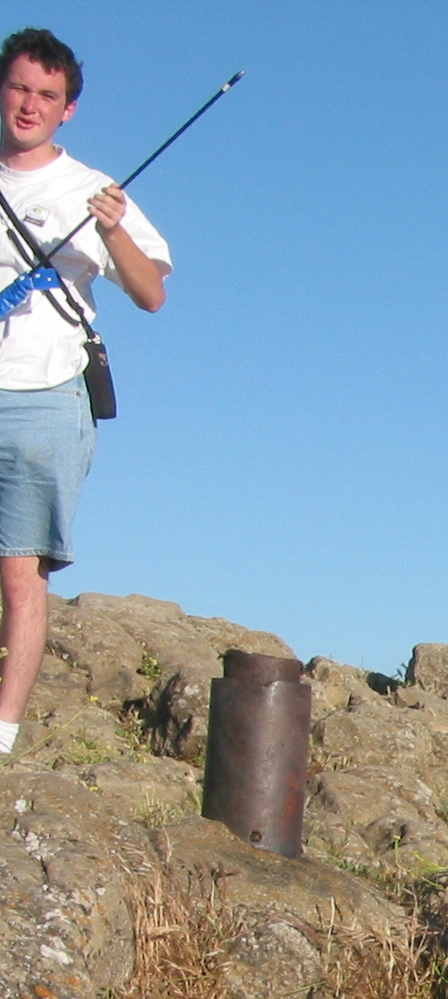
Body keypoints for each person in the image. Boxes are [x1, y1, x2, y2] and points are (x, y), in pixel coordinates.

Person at [0, 27, 170, 758]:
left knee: (19, 571)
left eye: (47, 95)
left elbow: (151, 294)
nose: (30, 105)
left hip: (45, 395)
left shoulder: (90, 188)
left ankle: (2, 733)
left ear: (67, 109)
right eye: (19, 88)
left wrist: (114, 232)